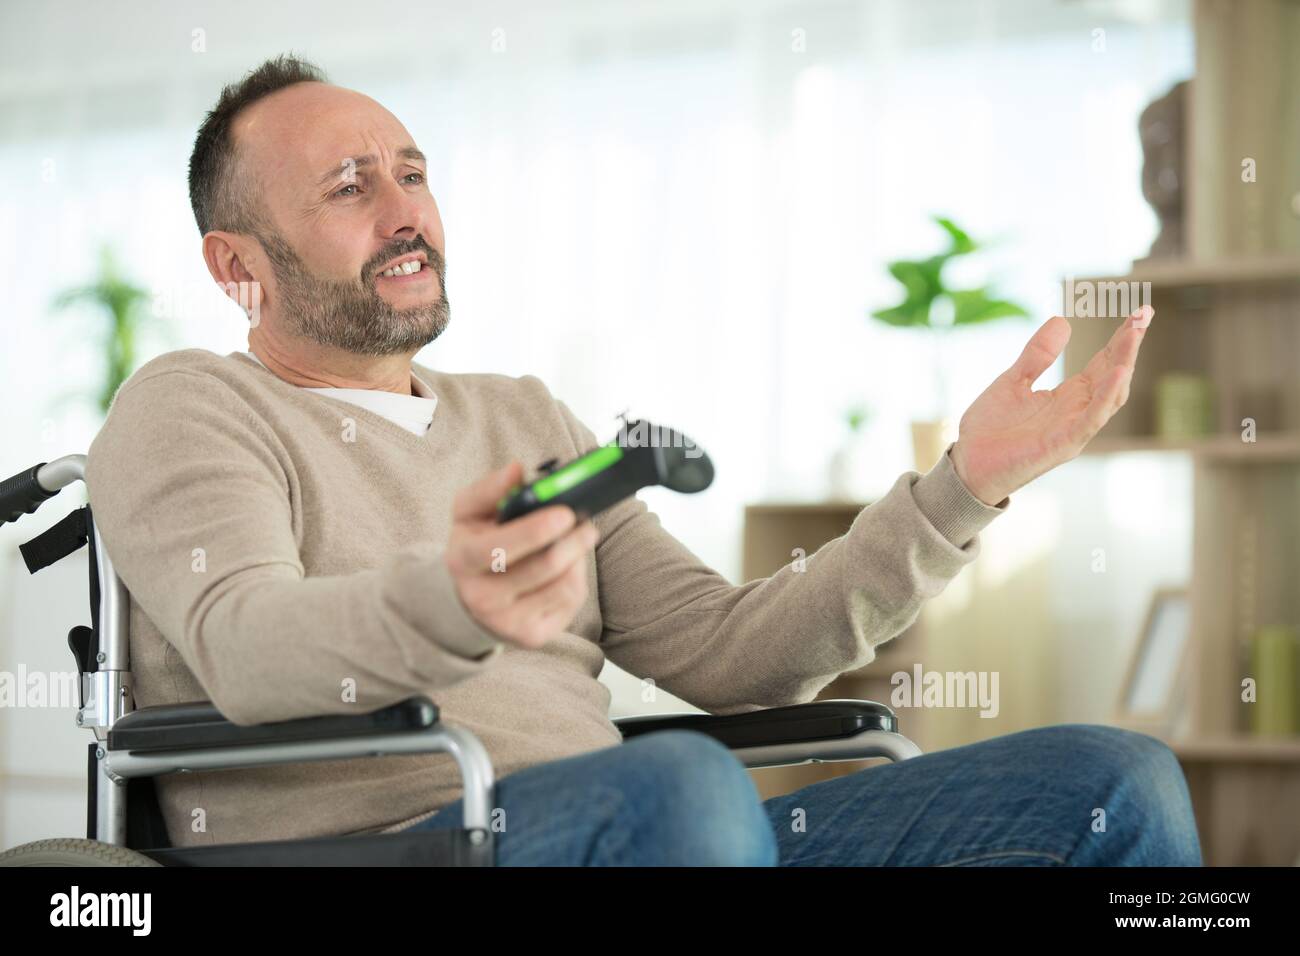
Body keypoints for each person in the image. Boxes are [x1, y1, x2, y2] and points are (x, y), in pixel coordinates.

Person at [85, 53, 1199, 865]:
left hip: (652, 828)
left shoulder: (525, 415)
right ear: (238, 266)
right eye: (349, 186)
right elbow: (246, 644)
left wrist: (963, 486)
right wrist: (451, 596)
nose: (405, 210)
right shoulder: (190, 404)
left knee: (1111, 778)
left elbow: (733, 655)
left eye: (412, 173)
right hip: (392, 843)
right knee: (681, 787)